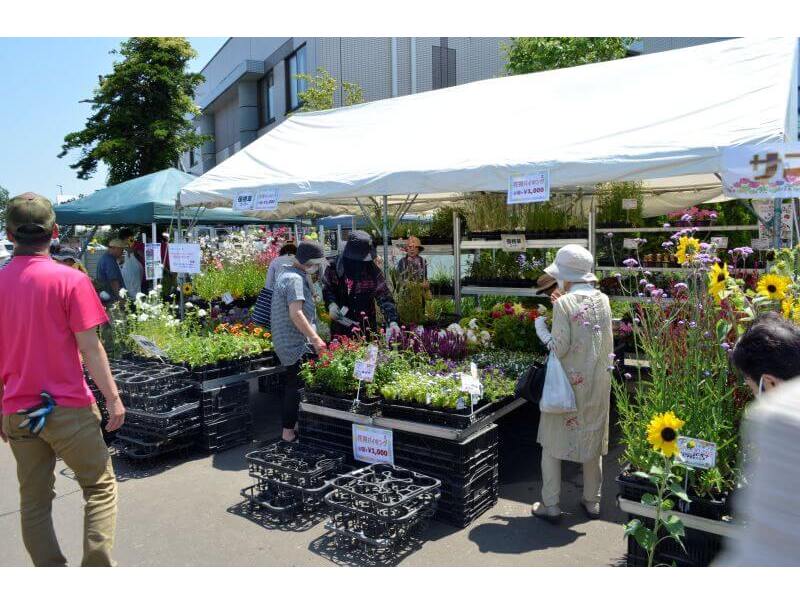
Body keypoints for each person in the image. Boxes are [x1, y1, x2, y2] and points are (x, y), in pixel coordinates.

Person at [0, 192, 125, 567]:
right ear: (55, 231)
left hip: (19, 409)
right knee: (99, 488)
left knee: (34, 501)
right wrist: (114, 399)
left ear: (9, 233)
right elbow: (91, 348)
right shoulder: (69, 280)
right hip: (67, 407)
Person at [531, 244, 613, 522]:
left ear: (566, 274)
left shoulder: (564, 303)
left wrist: (541, 328)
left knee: (552, 445)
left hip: (565, 387)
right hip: (596, 384)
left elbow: (559, 347)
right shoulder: (603, 299)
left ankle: (550, 505)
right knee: (592, 441)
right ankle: (593, 500)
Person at [715, 313, 800, 566]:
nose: (751, 393)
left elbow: (770, 542)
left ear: (770, 383)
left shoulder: (782, 419)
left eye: (750, 385)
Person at [271, 240, 328, 443]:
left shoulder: (285, 274)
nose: (317, 268)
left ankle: (292, 426)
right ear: (309, 262)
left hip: (285, 339)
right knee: (295, 386)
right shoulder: (294, 279)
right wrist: (315, 339)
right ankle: (288, 432)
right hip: (294, 342)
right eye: (316, 263)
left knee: (293, 383)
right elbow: (296, 313)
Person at [322, 230, 399, 337]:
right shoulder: (335, 268)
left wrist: (392, 320)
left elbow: (384, 295)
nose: (360, 263)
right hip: (340, 326)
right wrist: (331, 304)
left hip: (366, 326)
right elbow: (327, 289)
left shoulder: (371, 270)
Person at [95, 238, 127, 303]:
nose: (122, 252)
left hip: (107, 296)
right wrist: (121, 299)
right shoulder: (110, 260)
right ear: (115, 248)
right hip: (112, 298)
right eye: (121, 249)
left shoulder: (105, 258)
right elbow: (113, 281)